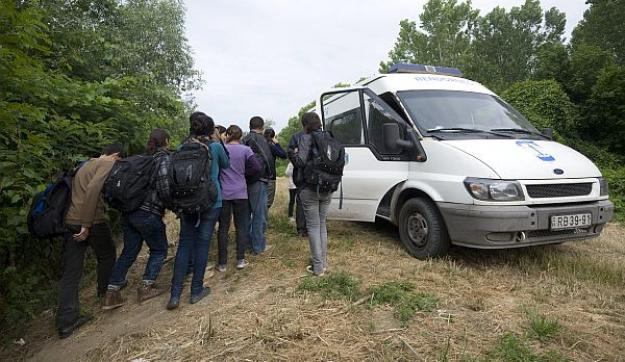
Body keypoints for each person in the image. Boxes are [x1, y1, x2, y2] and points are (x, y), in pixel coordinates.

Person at [57, 143, 123, 338]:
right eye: (119, 160)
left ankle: (67, 323)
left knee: (71, 272)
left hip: (70, 220)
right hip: (91, 220)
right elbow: (93, 190)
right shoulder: (107, 163)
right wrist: (86, 224)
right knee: (107, 255)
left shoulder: (86, 164)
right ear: (116, 155)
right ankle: (105, 294)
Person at [102, 129, 172, 310]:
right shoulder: (162, 158)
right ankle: (146, 287)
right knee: (159, 249)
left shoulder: (141, 159)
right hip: (148, 212)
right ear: (166, 141)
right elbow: (164, 185)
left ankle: (111, 293)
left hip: (129, 212)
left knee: (129, 251)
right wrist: (172, 204)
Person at [167, 112, 229, 310]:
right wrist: (218, 140)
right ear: (211, 130)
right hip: (211, 201)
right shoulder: (216, 147)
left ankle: (174, 296)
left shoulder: (181, 148)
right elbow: (226, 165)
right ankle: (196, 291)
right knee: (203, 244)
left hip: (186, 203)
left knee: (185, 245)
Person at [216, 125, 261, 272]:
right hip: (241, 192)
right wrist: (243, 173)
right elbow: (257, 167)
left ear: (227, 135)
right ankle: (240, 260)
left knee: (223, 228)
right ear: (241, 136)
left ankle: (222, 263)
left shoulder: (221, 149)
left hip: (223, 194)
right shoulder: (246, 150)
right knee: (241, 226)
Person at [294, 112, 331, 277]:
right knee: (322, 225)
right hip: (327, 186)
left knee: (314, 227)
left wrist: (294, 154)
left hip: (309, 188)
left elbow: (299, 162)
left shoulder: (304, 138)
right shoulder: (329, 138)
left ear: (305, 125)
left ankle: (318, 268)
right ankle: (323, 263)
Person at [242, 116, 273, 254]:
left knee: (247, 214)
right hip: (259, 180)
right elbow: (267, 159)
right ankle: (258, 246)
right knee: (259, 214)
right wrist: (270, 175)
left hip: (244, 181)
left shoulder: (244, 139)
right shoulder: (260, 139)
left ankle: (247, 243)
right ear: (262, 126)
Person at [287, 117, 308, 237]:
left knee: (301, 201)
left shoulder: (296, 136)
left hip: (300, 173)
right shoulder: (320, 136)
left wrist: (298, 162)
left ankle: (301, 229)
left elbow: (290, 152)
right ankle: (308, 228)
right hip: (311, 174)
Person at [263, 128, 287, 209]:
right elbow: (284, 155)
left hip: (259, 177)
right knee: (268, 203)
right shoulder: (271, 146)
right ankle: (263, 220)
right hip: (270, 177)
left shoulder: (259, 145)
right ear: (273, 137)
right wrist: (277, 144)